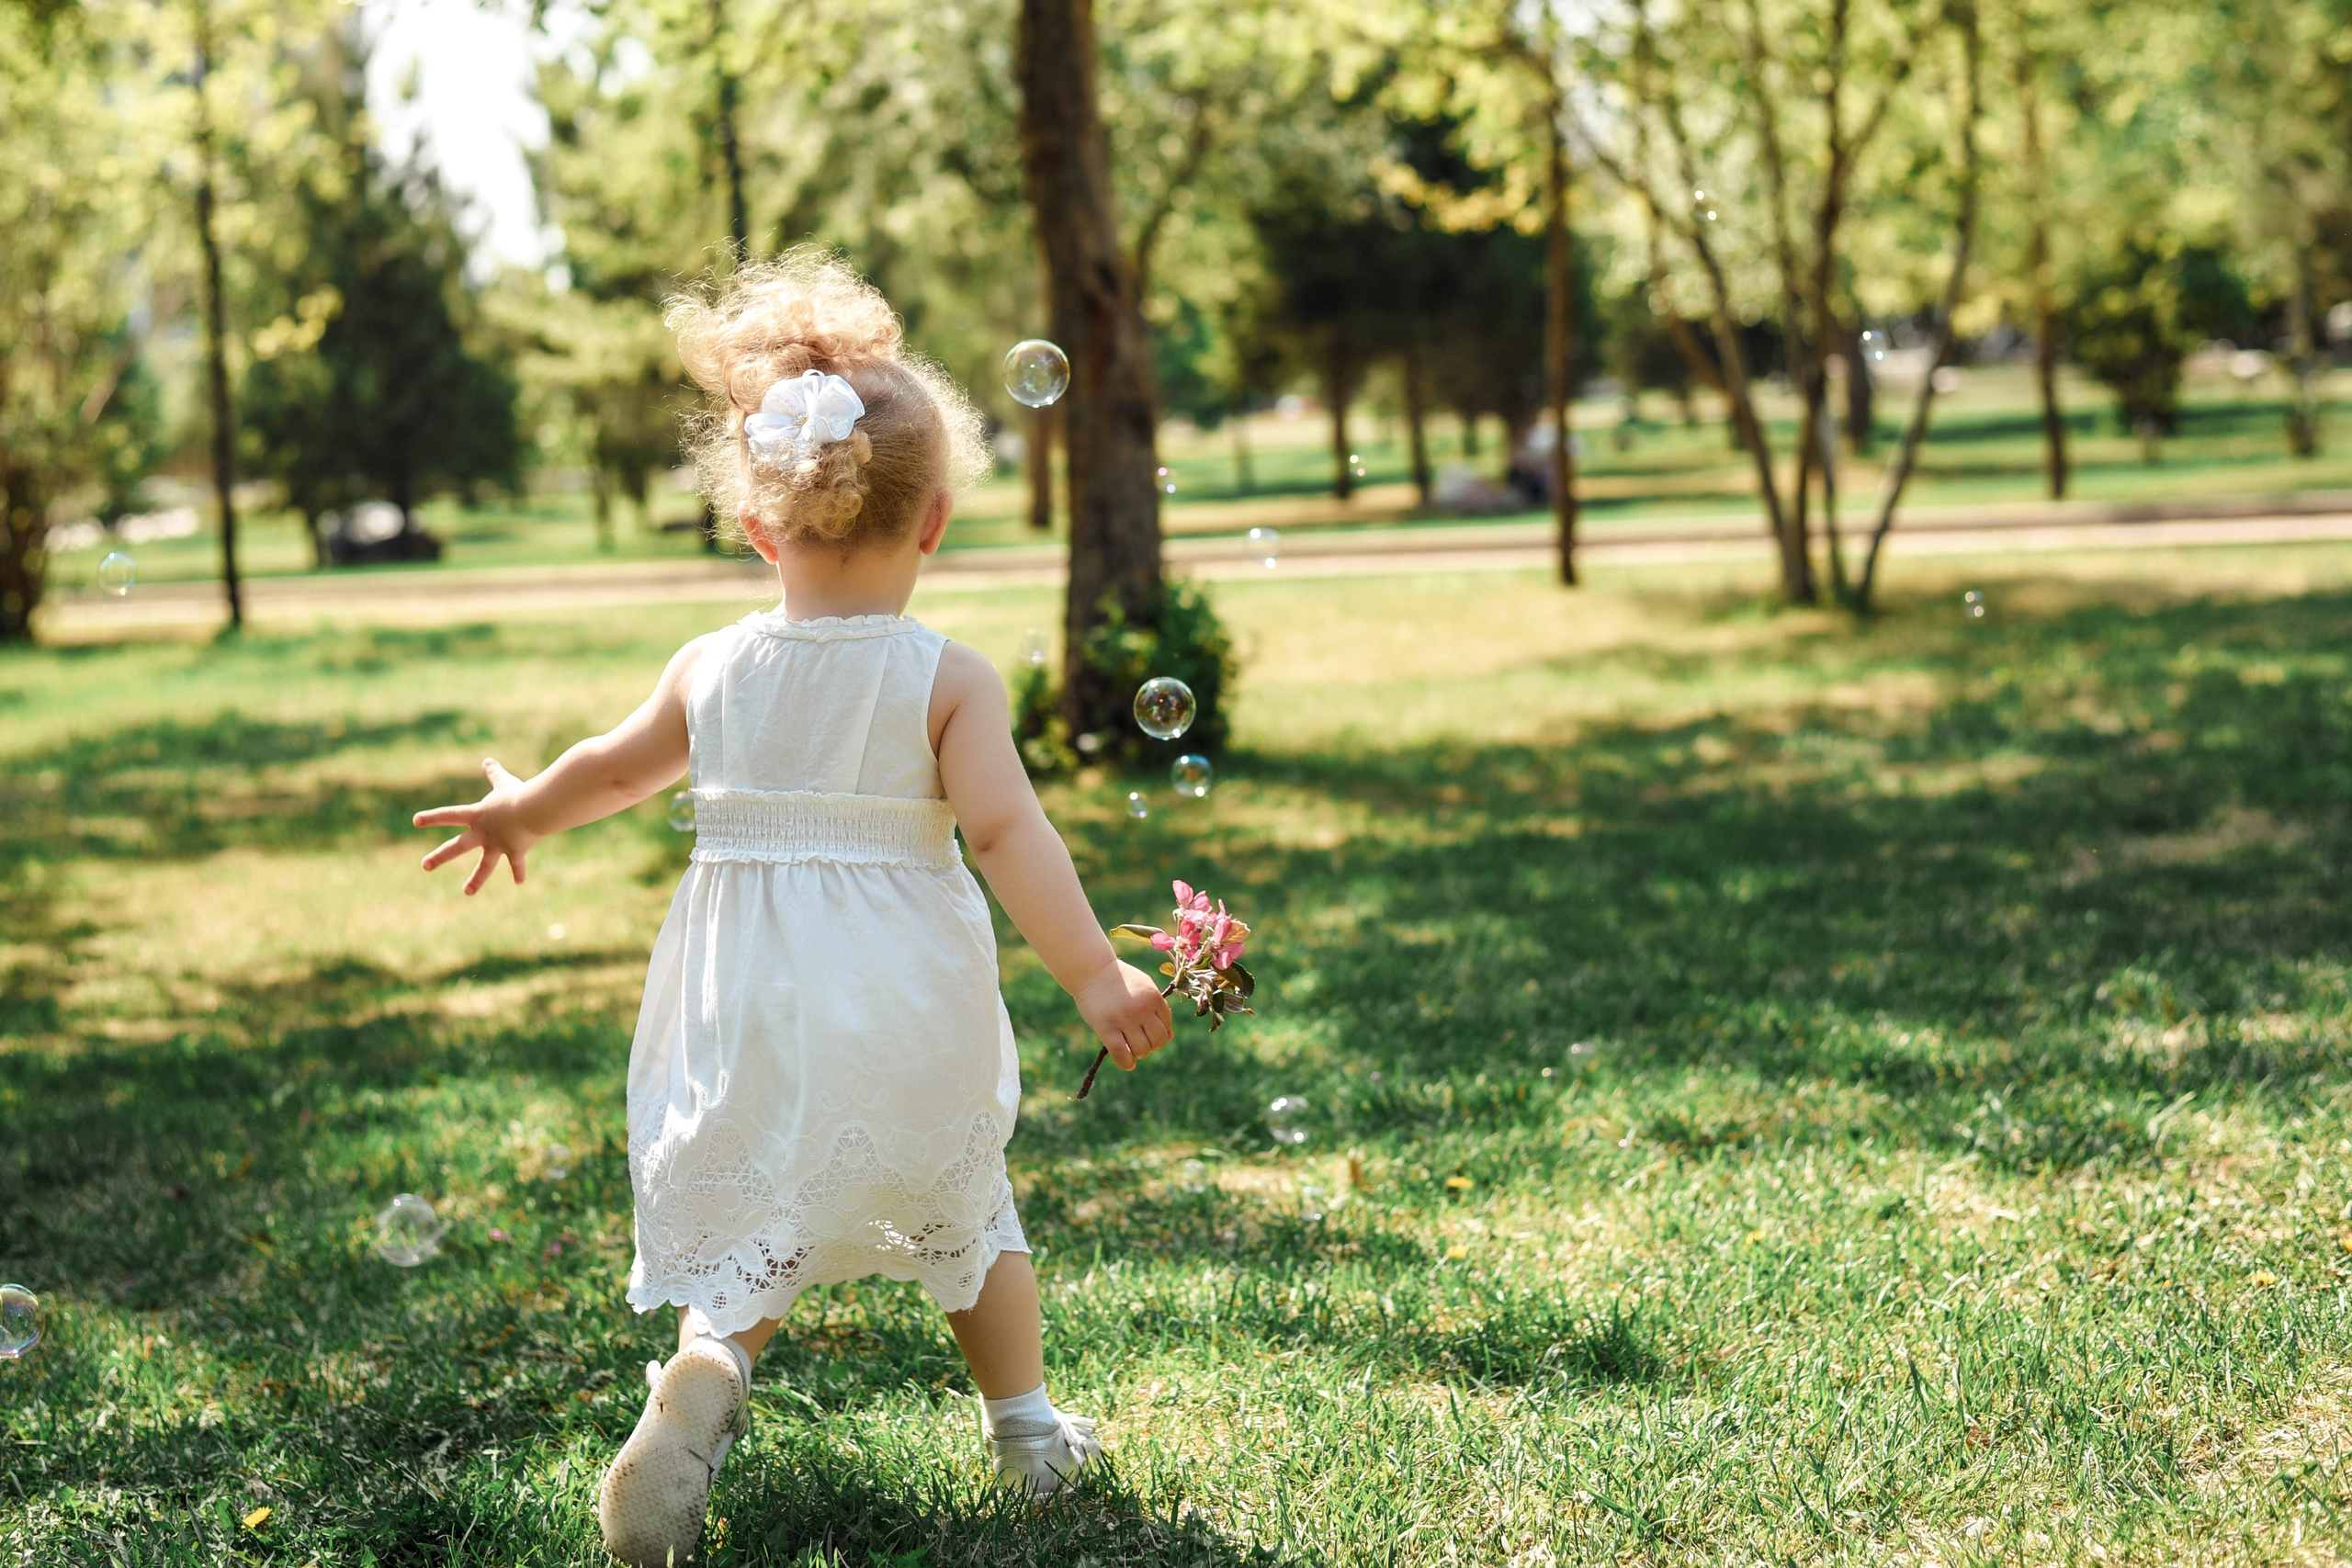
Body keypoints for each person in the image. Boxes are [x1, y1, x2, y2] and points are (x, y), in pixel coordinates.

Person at [410, 251, 1175, 1567]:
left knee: (761, 1225)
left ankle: (705, 1374)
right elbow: (1005, 832)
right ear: (934, 520)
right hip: (904, 1004)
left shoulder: (712, 667)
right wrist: (1096, 971)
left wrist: (522, 811)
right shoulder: (947, 678)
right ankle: (1032, 1437)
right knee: (966, 1209)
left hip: (744, 1005)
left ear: (759, 528)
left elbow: (609, 765)